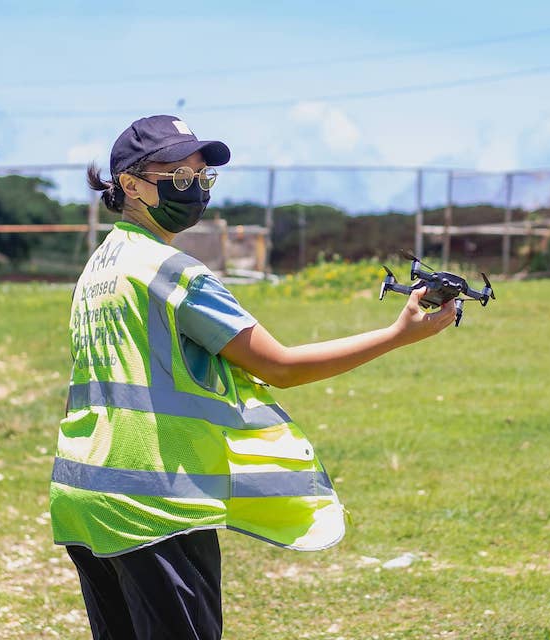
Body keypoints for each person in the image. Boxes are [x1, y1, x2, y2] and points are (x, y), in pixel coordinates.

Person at [50, 114, 455, 640]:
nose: (194, 189)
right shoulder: (172, 272)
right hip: (153, 503)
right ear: (129, 184)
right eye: (178, 176)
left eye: (202, 177)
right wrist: (397, 335)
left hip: (84, 493)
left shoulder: (99, 268)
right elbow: (280, 366)